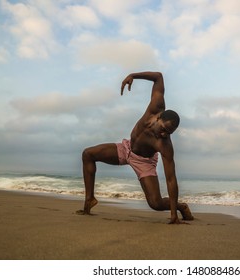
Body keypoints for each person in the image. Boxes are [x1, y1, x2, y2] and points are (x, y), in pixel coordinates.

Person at [77, 71, 193, 224]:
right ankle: (89, 199)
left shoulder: (164, 144)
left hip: (144, 162)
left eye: (169, 133)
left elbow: (171, 180)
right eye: (163, 129)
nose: (164, 134)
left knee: (155, 204)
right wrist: (133, 75)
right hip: (126, 148)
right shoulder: (156, 106)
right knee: (88, 154)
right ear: (159, 117)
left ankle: (181, 207)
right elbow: (158, 77)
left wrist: (173, 215)